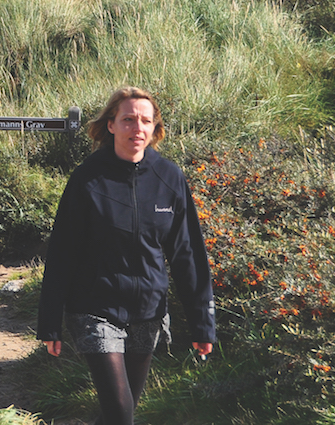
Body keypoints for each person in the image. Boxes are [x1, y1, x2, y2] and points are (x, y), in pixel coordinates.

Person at [37, 87, 215, 425]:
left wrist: (202, 324)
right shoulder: (87, 178)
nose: (137, 128)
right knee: (120, 413)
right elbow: (62, 252)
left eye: (145, 121)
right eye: (128, 119)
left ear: (155, 128)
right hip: (95, 307)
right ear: (111, 125)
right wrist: (50, 321)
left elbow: (188, 255)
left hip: (148, 310)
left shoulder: (169, 178)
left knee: (119, 413)